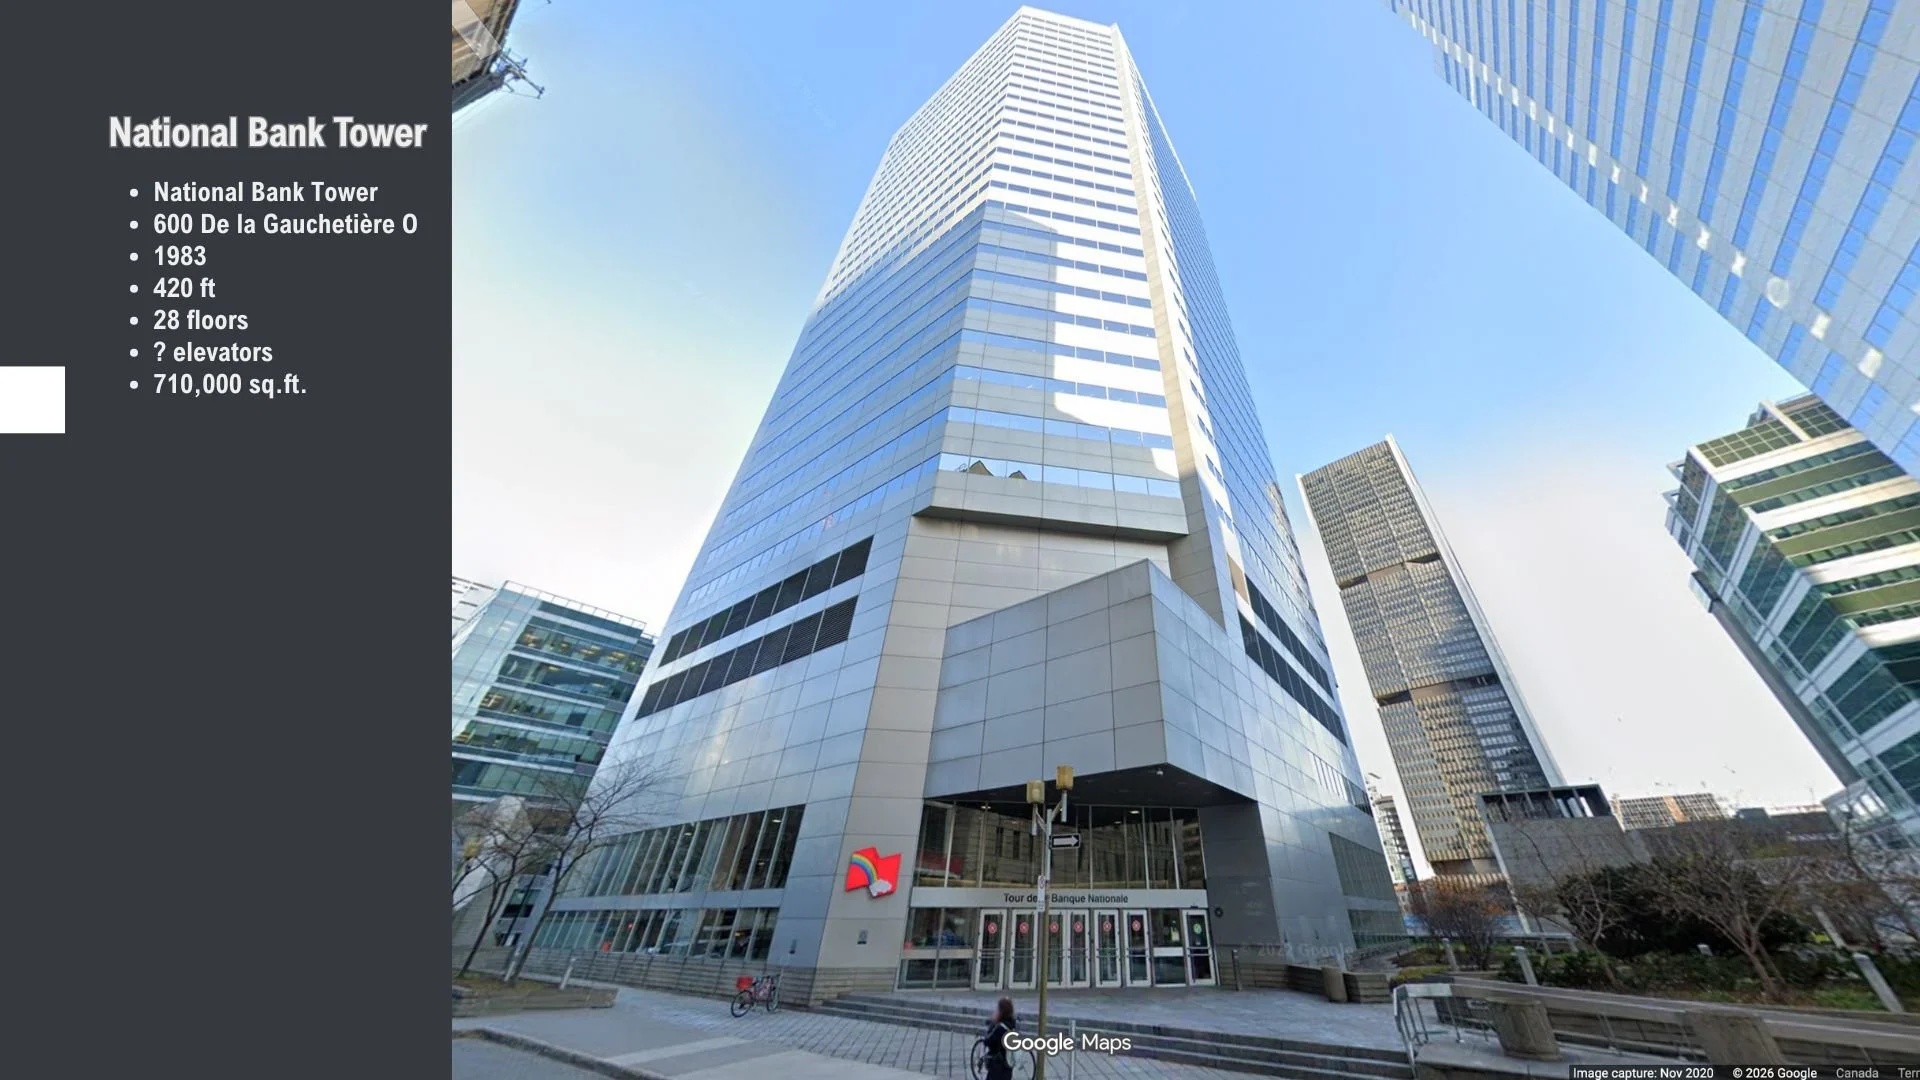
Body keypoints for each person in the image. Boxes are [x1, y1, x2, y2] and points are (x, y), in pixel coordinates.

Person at [983, 997, 1017, 1080]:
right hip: (1007, 1067)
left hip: (997, 1068)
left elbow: (988, 1041)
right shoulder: (1012, 1026)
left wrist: (993, 1023)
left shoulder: (1000, 1029)